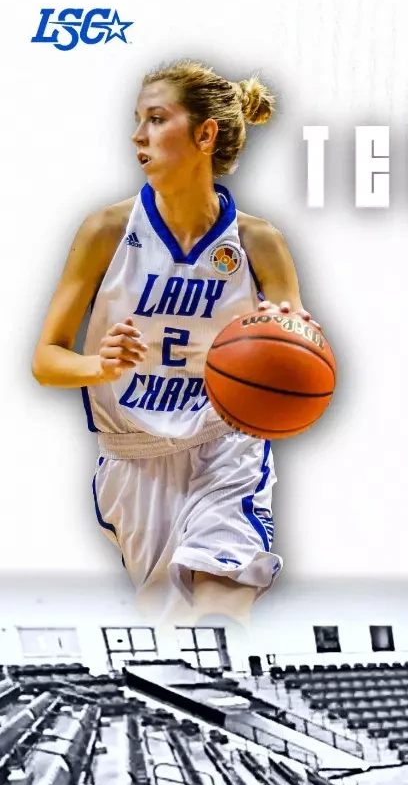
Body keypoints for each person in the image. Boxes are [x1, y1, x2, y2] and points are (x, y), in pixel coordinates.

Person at [32, 60, 316, 621]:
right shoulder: (106, 232)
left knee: (218, 605)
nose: (137, 136)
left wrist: (292, 339)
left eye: (156, 120)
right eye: (137, 121)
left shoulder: (259, 243)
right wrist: (98, 365)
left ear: (204, 135)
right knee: (169, 624)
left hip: (225, 442)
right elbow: (46, 361)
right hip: (133, 457)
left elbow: (299, 347)